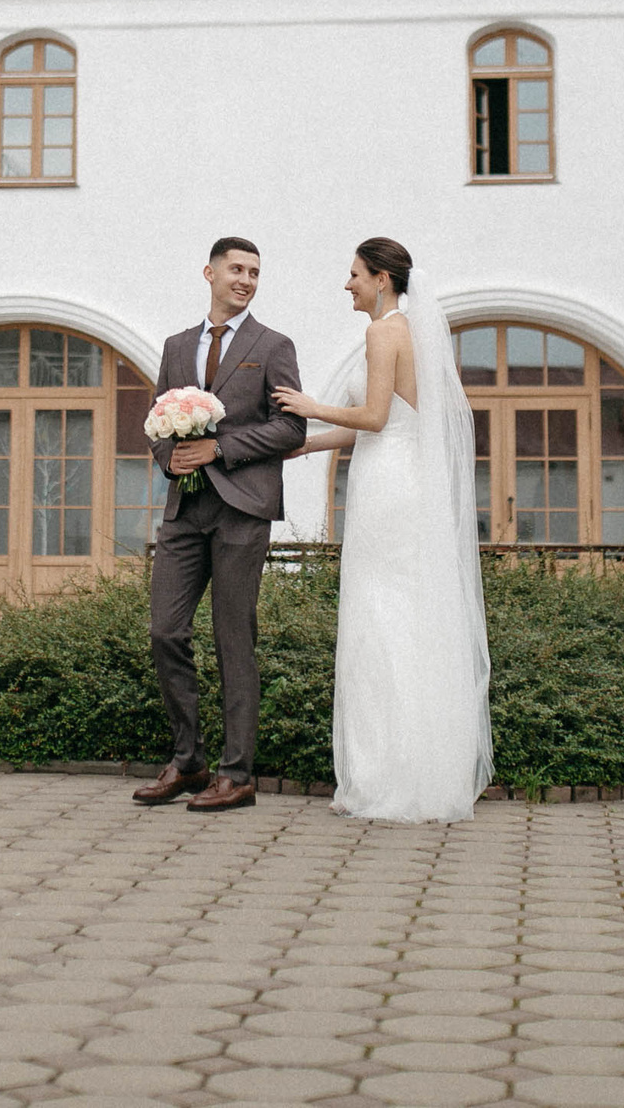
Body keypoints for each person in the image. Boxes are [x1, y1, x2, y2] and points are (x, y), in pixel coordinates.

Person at [276, 237, 493, 822]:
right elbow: (386, 421)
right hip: (404, 476)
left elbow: (372, 418)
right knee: (402, 613)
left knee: (379, 615)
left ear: (381, 280)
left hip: (387, 484)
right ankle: (416, 770)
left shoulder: (382, 333)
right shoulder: (408, 334)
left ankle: (383, 777)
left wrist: (310, 407)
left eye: (354, 274)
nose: (347, 284)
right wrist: (308, 446)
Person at [131, 237, 308, 813]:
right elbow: (158, 418)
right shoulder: (177, 346)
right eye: (236, 269)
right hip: (184, 512)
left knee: (234, 641)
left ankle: (236, 774)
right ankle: (189, 761)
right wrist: (171, 458)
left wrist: (220, 448)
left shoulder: (273, 346)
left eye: (254, 272)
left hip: (242, 509)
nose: (246, 280)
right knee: (165, 632)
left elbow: (292, 428)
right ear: (209, 273)